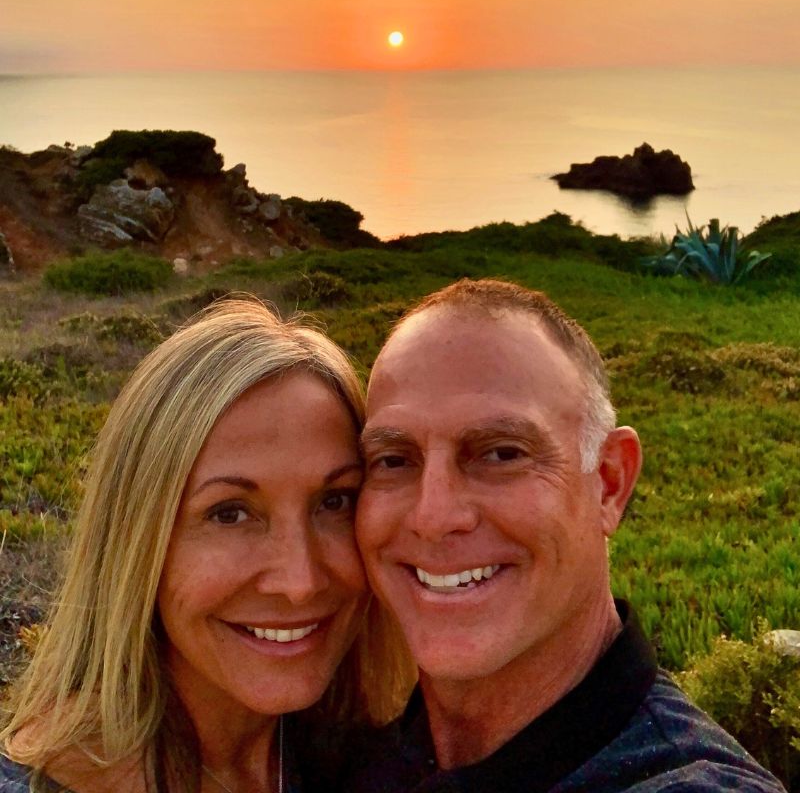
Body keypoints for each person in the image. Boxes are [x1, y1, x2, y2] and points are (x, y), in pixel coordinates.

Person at [350, 278, 786, 792]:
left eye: (501, 453)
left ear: (609, 483)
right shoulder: (345, 755)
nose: (433, 514)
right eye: (394, 460)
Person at [0, 298, 413, 793]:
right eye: (229, 513)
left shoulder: (371, 759)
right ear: (138, 540)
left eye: (335, 502)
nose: (299, 582)